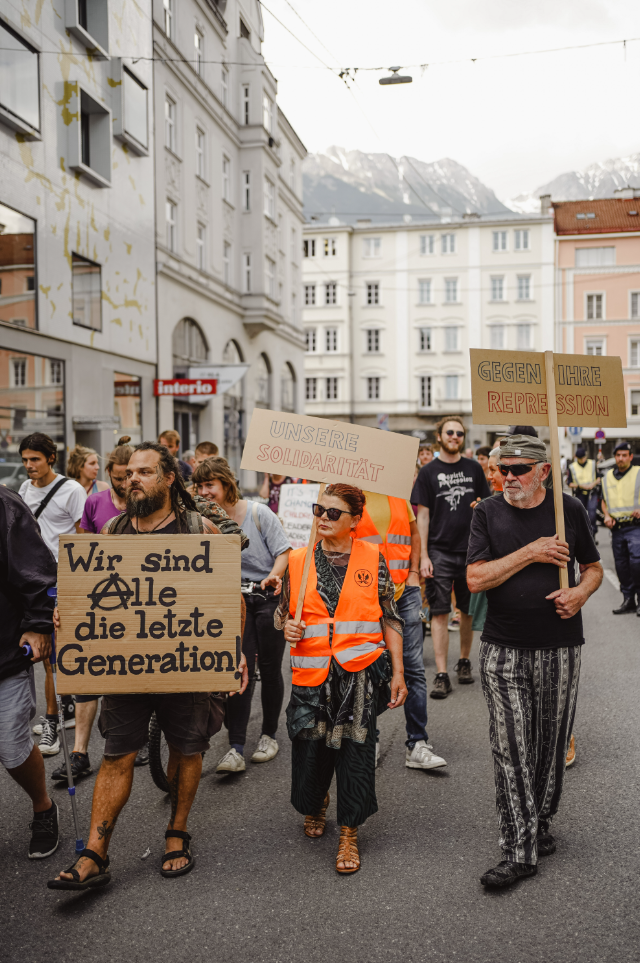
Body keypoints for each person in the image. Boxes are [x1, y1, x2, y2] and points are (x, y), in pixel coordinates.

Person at [48, 442, 249, 890]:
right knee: (117, 753)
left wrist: (234, 651)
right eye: (128, 473)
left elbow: (228, 598)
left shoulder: (200, 529)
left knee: (187, 748)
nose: (131, 479)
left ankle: (177, 834)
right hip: (127, 668)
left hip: (189, 664)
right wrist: (71, 614)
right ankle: (94, 853)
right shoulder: (112, 534)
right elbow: (88, 597)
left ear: (169, 478)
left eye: (144, 472)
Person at [467, 434, 602, 889]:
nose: (508, 477)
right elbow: (475, 578)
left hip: (561, 648)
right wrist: (532, 552)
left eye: (518, 469)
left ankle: (539, 820)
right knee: (511, 749)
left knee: (549, 746)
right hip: (503, 649)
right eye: (502, 468)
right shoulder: (487, 512)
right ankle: (518, 850)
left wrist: (580, 593)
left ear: (543, 470)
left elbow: (595, 569)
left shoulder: (570, 510)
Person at [277, 484, 407, 874]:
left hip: (359, 672)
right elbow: (281, 613)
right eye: (320, 509)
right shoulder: (298, 560)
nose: (323, 517)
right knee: (310, 745)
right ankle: (316, 802)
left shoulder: (373, 557)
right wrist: (286, 627)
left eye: (334, 513)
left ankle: (349, 832)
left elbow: (390, 615)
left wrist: (399, 671)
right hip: (312, 673)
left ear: (355, 520)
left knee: (355, 750)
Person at [191, 458, 291, 772]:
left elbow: (284, 552)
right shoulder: (201, 521)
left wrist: (273, 577)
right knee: (236, 667)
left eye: (210, 485)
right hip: (232, 599)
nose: (204, 492)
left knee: (272, 668)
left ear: (226, 485)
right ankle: (235, 746)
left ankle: (268, 735)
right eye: (200, 486)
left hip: (266, 596)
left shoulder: (259, 514)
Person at [56, 438, 136, 784]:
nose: (124, 484)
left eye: (129, 476)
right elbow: (81, 553)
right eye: (118, 477)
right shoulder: (94, 503)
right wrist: (67, 600)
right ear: (109, 474)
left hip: (140, 600)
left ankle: (135, 738)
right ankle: (79, 753)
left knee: (132, 670)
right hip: (99, 597)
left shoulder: (145, 502)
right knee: (88, 673)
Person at [354, 492, 446, 770]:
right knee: (366, 669)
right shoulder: (350, 496)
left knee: (413, 668)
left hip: (404, 593)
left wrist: (414, 573)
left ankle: (417, 744)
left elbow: (414, 535)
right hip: (363, 594)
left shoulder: (398, 496)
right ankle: (370, 741)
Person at [0, 483, 59, 860]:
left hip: (4, 653)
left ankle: (43, 807)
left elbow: (37, 572)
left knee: (11, 745)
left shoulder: (4, 505)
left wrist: (39, 625)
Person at [412, 416, 490, 698]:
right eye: (450, 432)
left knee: (467, 612)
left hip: (472, 552)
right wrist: (423, 557)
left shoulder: (474, 469)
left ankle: (464, 661)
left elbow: (486, 505)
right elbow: (422, 515)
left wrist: (480, 507)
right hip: (440, 552)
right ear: (440, 436)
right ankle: (442, 673)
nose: (455, 436)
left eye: (459, 432)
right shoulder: (428, 472)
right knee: (440, 612)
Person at [18, 433, 86, 755]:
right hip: (34, 580)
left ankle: (52, 724)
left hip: (63, 578)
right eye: (25, 460)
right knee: (43, 655)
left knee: (54, 656)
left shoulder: (71, 490)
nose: (29, 466)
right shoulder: (24, 489)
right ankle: (63, 709)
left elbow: (84, 535)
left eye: (35, 459)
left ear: (50, 458)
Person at [601, 441, 640, 615]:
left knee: (636, 563)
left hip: (635, 527)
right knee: (622, 566)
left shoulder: (638, 473)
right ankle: (629, 600)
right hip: (616, 529)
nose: (621, 458)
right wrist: (607, 515)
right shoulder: (607, 477)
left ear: (631, 457)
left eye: (625, 455)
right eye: (618, 455)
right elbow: (603, 501)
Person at [568, 447, 599, 538]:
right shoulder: (572, 467)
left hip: (591, 492)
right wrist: (580, 486)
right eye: (580, 458)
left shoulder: (592, 464)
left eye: (583, 457)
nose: (582, 460)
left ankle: (592, 535)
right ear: (576, 457)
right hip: (580, 493)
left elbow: (598, 478)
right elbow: (569, 483)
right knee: (580, 514)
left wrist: (593, 484)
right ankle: (582, 535)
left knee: (592, 513)